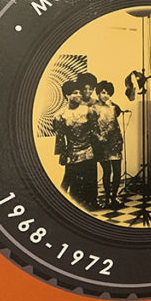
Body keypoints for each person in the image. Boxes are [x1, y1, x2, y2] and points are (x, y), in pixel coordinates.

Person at [52, 79, 99, 209]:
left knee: (91, 178)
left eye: (79, 92)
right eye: (75, 93)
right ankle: (74, 206)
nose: (79, 95)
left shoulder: (88, 111)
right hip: (73, 152)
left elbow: (95, 131)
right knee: (73, 182)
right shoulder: (60, 115)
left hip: (89, 150)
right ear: (67, 95)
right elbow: (60, 137)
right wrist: (61, 154)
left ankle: (92, 203)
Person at [93, 80, 124, 209]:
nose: (106, 96)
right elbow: (92, 126)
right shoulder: (94, 107)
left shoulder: (113, 106)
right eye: (103, 93)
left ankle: (114, 197)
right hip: (102, 143)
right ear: (98, 93)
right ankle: (107, 197)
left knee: (117, 171)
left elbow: (118, 113)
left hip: (115, 141)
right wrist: (99, 137)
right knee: (107, 171)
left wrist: (110, 103)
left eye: (108, 94)